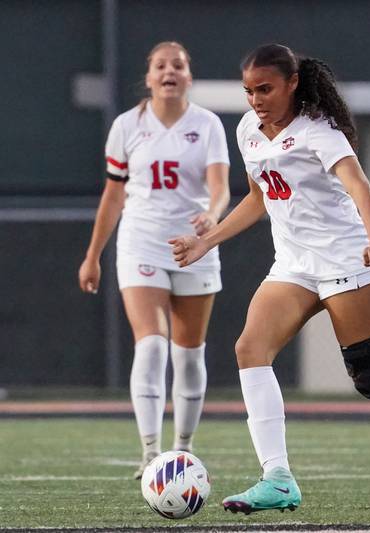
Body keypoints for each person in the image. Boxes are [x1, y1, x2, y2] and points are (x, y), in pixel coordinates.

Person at [169, 43, 370, 514]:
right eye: (249, 91)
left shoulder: (319, 131)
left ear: (293, 83)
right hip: (295, 264)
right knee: (249, 349)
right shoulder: (246, 130)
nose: (256, 99)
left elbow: (360, 186)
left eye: (265, 89)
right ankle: (277, 477)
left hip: (347, 258)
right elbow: (261, 196)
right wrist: (207, 240)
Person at [78, 41, 231, 478]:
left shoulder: (208, 125)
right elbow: (113, 195)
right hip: (141, 242)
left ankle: (182, 450)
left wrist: (212, 215)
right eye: (161, 65)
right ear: (148, 77)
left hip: (195, 246)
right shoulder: (127, 126)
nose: (169, 72)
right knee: (151, 343)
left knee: (188, 354)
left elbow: (220, 187)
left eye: (178, 65)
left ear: (189, 75)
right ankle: (149, 452)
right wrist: (93, 255)